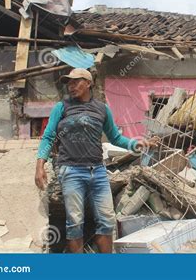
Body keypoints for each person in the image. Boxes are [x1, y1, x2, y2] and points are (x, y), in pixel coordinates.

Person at [34, 68, 158, 253]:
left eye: (76, 81)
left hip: (98, 172)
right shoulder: (62, 107)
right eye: (69, 82)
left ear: (89, 83)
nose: (71, 85)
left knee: (106, 221)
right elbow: (48, 137)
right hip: (71, 170)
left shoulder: (102, 109)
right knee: (75, 222)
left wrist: (139, 144)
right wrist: (40, 165)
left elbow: (116, 138)